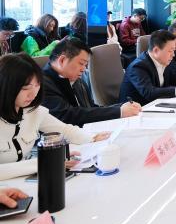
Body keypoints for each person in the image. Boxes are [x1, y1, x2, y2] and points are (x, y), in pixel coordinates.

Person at [0, 53, 109, 181]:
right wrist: (46, 161)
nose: (33, 93)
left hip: (24, 181)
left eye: (37, 85)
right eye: (25, 88)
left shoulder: (33, 111)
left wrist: (92, 138)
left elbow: (64, 130)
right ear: (5, 86)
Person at [42, 38, 141, 126]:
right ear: (62, 60)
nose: (83, 69)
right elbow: (68, 115)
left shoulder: (76, 80)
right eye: (81, 63)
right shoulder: (42, 84)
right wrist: (118, 111)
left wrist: (121, 106)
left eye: (85, 65)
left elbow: (89, 108)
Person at [119, 30, 176, 105]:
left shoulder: (163, 60)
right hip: (135, 112)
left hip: (156, 106)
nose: (173, 55)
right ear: (156, 50)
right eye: (170, 51)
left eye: (173, 50)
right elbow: (149, 93)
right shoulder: (138, 67)